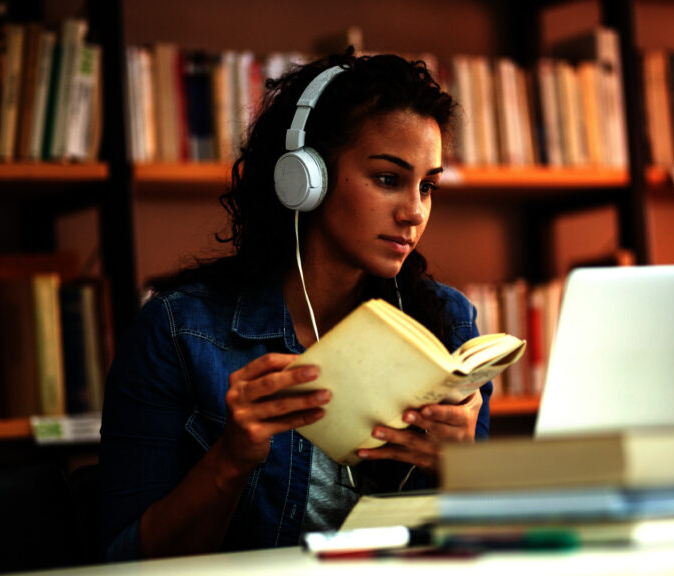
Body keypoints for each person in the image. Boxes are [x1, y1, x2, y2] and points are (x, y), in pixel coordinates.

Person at [99, 50, 492, 561]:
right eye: (388, 179)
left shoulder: (448, 325)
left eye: (428, 186)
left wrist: (464, 471)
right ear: (306, 179)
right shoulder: (177, 331)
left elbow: (479, 551)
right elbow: (125, 560)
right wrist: (232, 458)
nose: (414, 212)